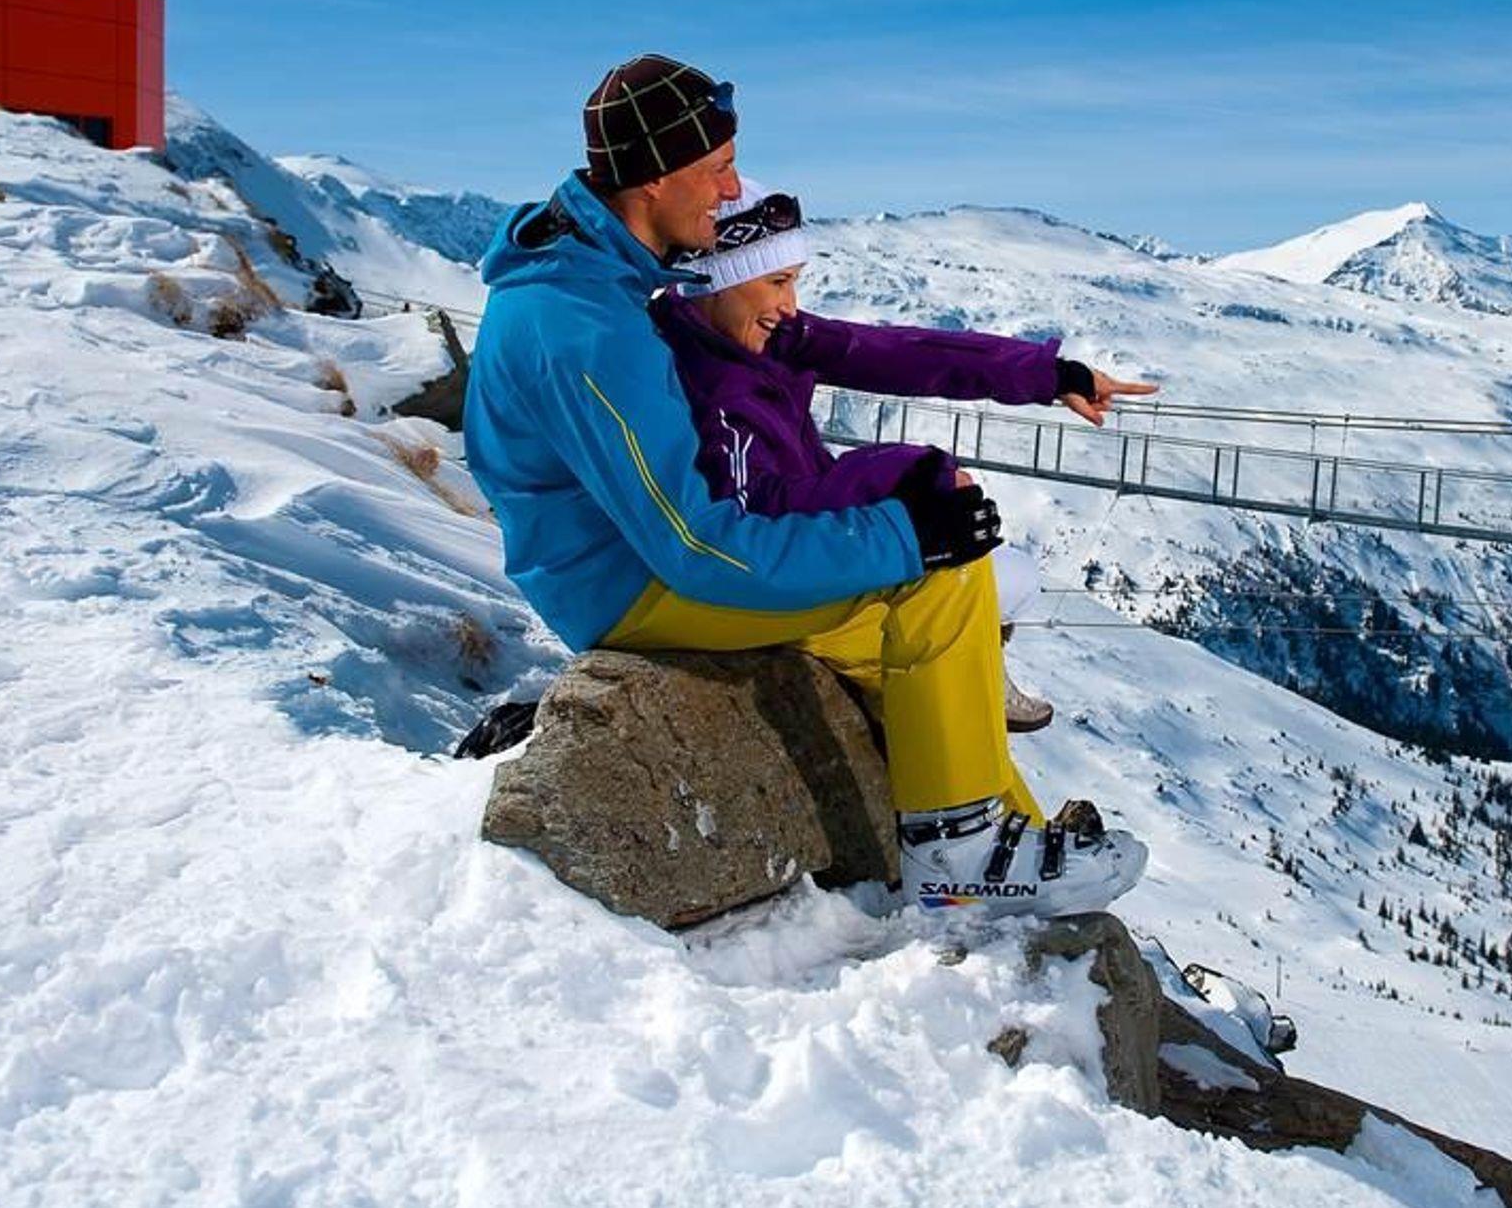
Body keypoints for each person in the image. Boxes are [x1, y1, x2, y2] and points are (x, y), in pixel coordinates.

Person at [462, 54, 1147, 917]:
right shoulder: (585, 327)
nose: (731, 188)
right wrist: (905, 534)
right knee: (937, 575)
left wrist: (1044, 375)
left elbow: (883, 350)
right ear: (657, 175)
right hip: (629, 585)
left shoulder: (611, 282)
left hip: (634, 557)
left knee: (922, 646)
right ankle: (962, 858)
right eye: (718, 168)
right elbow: (699, 545)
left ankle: (997, 858)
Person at [654, 181, 1160, 734]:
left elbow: (901, 354)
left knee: (1005, 571)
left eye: (794, 281)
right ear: (716, 279)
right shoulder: (711, 383)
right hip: (792, 564)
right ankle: (946, 683)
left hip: (818, 535)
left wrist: (1051, 375)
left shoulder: (756, 337)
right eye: (777, 282)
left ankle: (954, 670)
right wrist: (906, 477)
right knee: (998, 578)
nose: (790, 305)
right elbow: (753, 511)